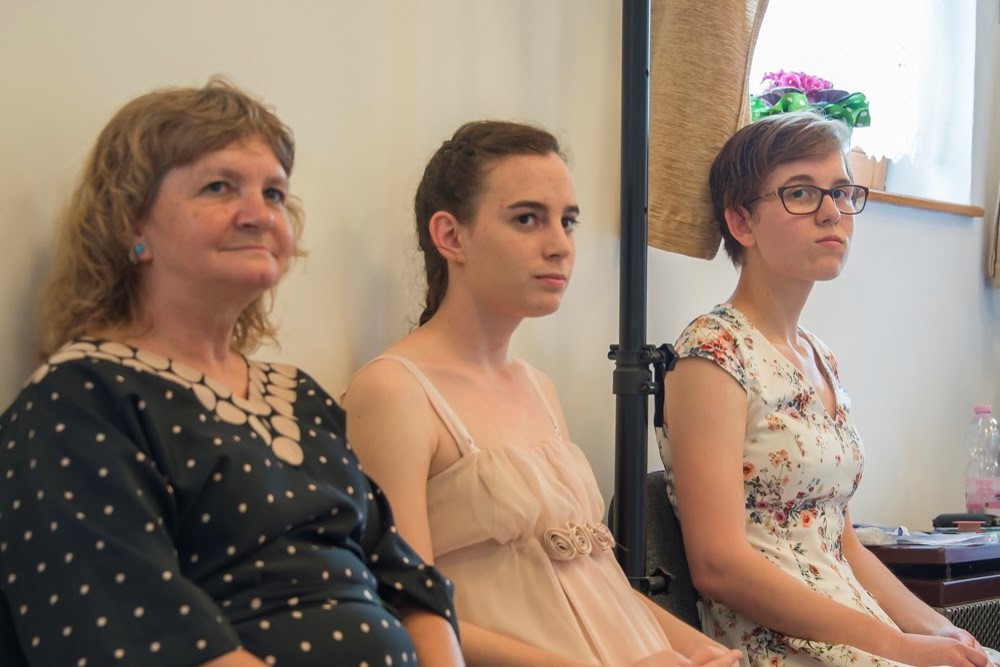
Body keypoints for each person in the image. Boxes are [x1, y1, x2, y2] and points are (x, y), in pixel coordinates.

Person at [0, 79, 462, 667]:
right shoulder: (76, 402)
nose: (258, 215)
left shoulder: (299, 395)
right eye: (218, 187)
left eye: (274, 193)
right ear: (130, 224)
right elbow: (139, 634)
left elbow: (407, 581)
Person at [341, 120, 742, 667]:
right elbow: (401, 610)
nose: (559, 247)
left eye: (567, 221)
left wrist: (701, 650)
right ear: (451, 235)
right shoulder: (394, 393)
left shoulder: (539, 387)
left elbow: (598, 584)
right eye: (527, 219)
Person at [657, 111, 998, 667]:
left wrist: (941, 631)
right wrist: (901, 645)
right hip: (779, 643)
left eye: (840, 191)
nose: (831, 212)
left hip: (860, 631)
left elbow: (842, 542)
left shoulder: (819, 356)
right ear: (741, 222)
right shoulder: (713, 353)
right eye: (800, 192)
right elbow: (718, 566)